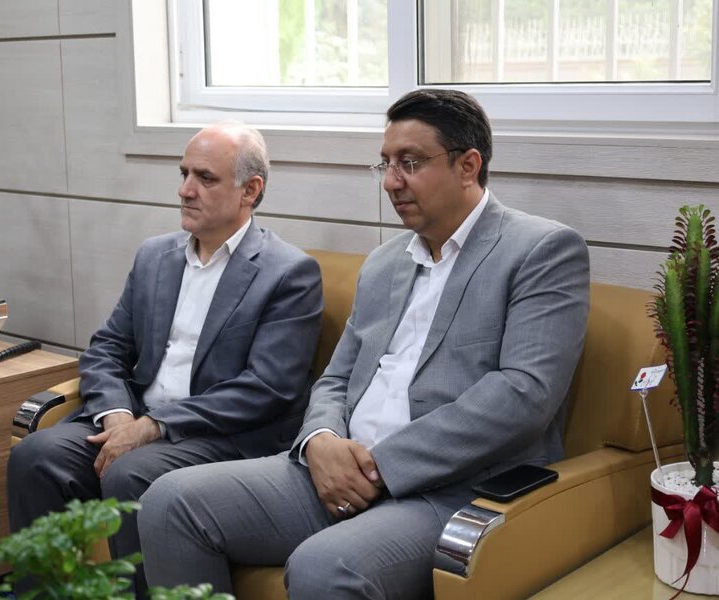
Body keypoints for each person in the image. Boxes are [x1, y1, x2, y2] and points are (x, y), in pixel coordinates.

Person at [137, 89, 590, 598]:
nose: (392, 181)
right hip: (336, 470)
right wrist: (321, 441)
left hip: (450, 489)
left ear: (468, 166)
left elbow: (523, 394)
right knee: (169, 502)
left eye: (410, 163)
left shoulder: (541, 251)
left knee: (323, 566)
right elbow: (336, 377)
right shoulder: (384, 261)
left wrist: (380, 466)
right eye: (386, 164)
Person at [7, 122, 323, 594]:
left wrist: (153, 427)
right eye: (184, 174)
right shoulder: (155, 256)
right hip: (134, 417)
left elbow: (267, 387)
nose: (185, 190)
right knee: (36, 456)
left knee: (130, 473)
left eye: (205, 178)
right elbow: (107, 347)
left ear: (250, 190)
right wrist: (117, 415)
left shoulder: (288, 273)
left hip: (219, 436)